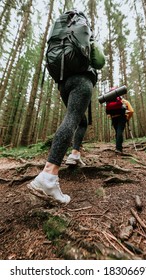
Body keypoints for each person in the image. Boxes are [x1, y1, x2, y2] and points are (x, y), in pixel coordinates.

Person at [27, 11, 104, 205]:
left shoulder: (61, 33)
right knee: (71, 119)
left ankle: (75, 155)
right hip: (82, 80)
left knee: (80, 120)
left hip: (63, 82)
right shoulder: (86, 34)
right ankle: (48, 176)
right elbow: (99, 61)